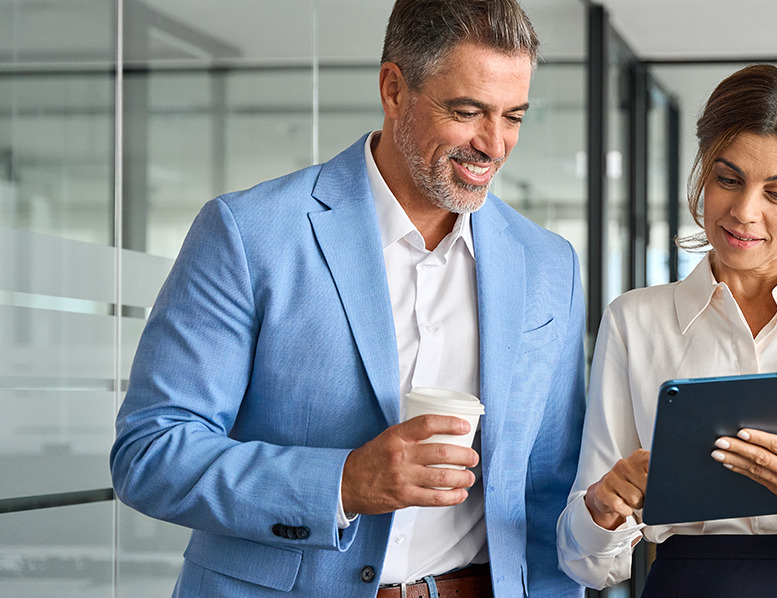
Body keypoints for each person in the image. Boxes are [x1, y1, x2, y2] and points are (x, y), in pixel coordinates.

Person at [109, 1, 586, 597]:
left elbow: (548, 490)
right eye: (467, 112)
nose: (494, 144)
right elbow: (151, 453)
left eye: (513, 116)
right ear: (393, 89)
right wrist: (343, 483)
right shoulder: (249, 233)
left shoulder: (548, 265)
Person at [556, 64, 777, 597]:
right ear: (704, 171)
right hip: (686, 584)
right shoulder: (635, 321)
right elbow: (584, 563)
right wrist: (603, 506)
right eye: (728, 180)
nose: (744, 212)